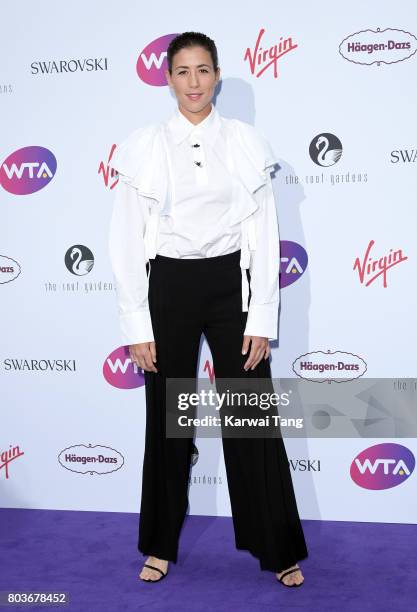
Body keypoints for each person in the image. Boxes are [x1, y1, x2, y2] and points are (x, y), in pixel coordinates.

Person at [108, 31, 308, 587]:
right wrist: (136, 323)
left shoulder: (245, 140)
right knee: (168, 423)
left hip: (230, 286)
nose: (193, 82)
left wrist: (262, 316)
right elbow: (125, 239)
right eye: (182, 72)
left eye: (202, 71)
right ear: (167, 78)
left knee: (250, 416)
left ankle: (278, 546)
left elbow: (264, 234)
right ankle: (159, 544)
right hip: (167, 285)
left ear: (217, 75)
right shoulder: (145, 145)